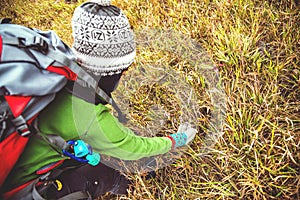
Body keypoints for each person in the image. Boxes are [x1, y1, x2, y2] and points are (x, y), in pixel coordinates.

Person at [2, 0, 197, 199]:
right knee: (103, 173)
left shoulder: (51, 72)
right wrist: (175, 140)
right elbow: (136, 148)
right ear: (111, 73)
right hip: (17, 191)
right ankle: (122, 186)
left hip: (18, 160)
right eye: (123, 71)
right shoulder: (92, 117)